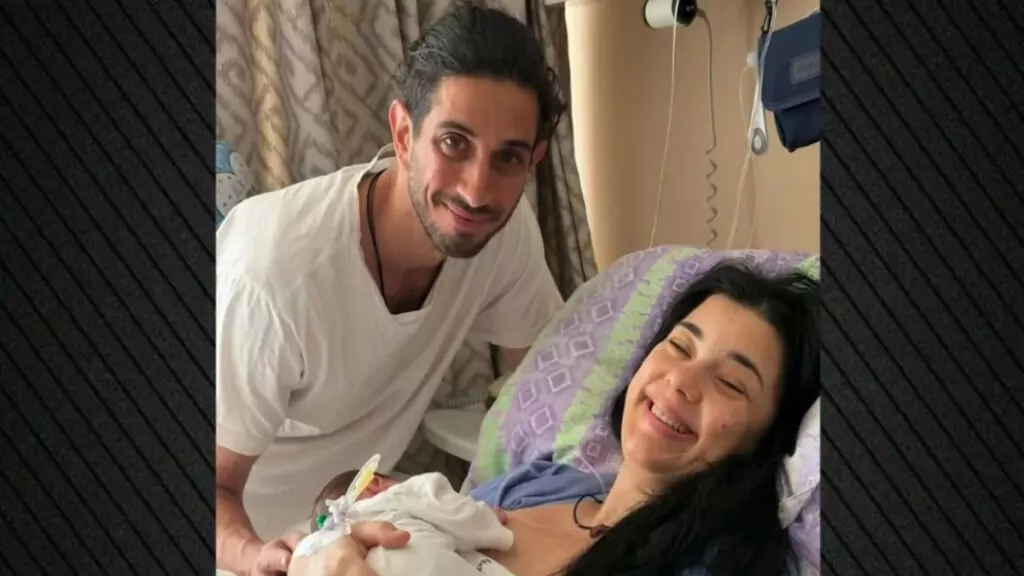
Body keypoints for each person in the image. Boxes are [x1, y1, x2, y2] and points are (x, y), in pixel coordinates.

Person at [214, 2, 566, 574]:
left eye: (508, 158)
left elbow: (547, 386)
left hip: (353, 521)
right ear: (403, 133)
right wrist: (263, 558)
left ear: (534, 162)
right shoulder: (273, 274)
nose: (477, 190)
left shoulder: (506, 233)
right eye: (454, 143)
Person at [296, 262, 821, 576]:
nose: (682, 380)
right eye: (679, 346)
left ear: (765, 441)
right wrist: (323, 549)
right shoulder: (540, 481)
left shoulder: (704, 565)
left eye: (731, 382)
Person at [294, 470, 513, 576]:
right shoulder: (402, 493)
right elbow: (459, 515)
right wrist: (489, 520)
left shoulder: (334, 545)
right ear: (375, 482)